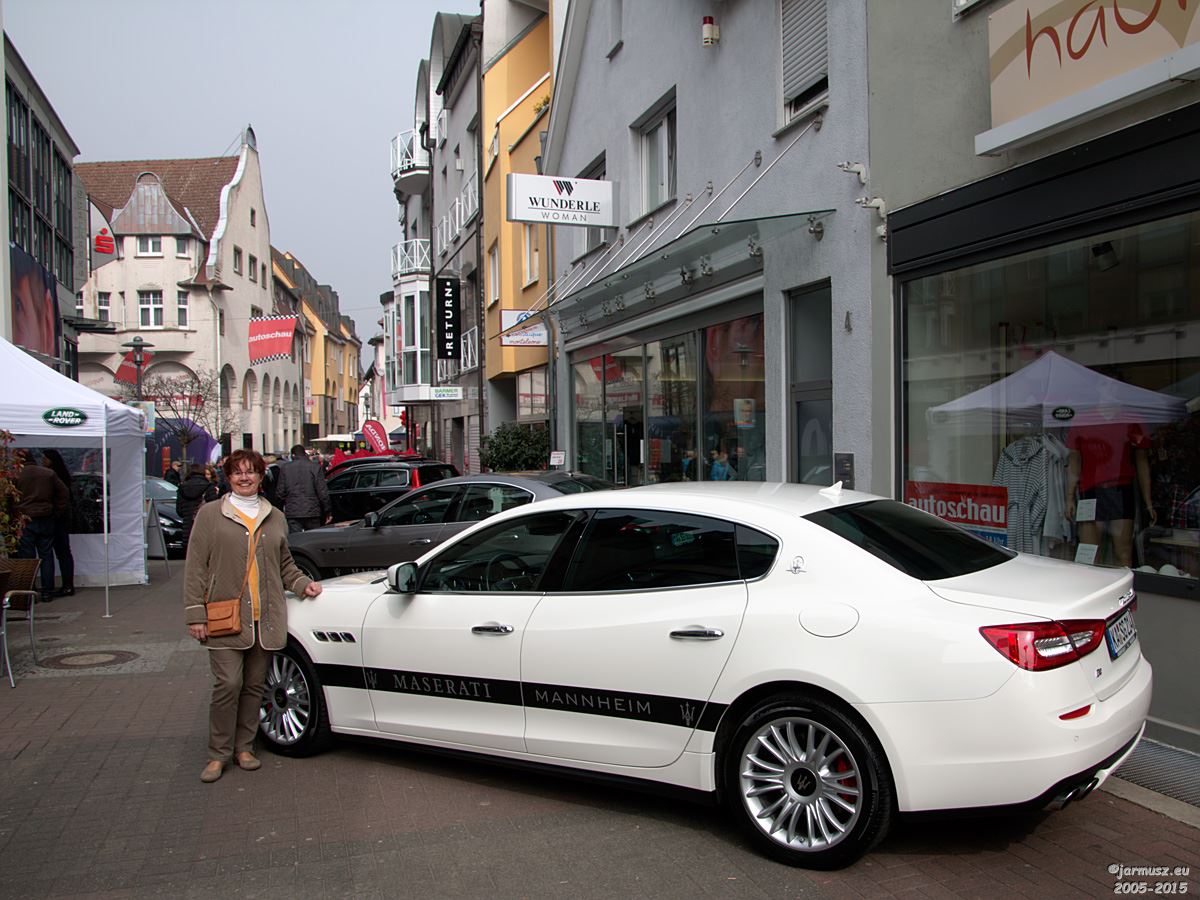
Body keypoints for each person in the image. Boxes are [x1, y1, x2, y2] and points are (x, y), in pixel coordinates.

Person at [183, 449, 323, 783]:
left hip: (265, 618)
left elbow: (285, 563)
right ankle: (218, 754)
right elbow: (195, 567)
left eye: (251, 472)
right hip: (226, 617)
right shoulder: (210, 514)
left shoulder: (275, 516)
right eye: (237, 472)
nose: (244, 478)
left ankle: (244, 748)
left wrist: (302, 584)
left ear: (261, 477)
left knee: (254, 686)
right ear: (228, 477)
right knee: (228, 684)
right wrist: (195, 614)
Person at [14, 448, 69, 601]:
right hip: (45, 517)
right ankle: (47, 591)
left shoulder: (16, 475)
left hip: (24, 518)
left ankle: (29, 591)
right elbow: (64, 493)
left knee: (27, 558)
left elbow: (9, 497)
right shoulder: (48, 473)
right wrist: (56, 511)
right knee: (46, 555)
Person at [274, 444, 332, 532]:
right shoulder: (315, 467)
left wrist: (279, 509)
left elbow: (280, 492)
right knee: (313, 537)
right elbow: (322, 491)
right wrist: (327, 510)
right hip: (312, 509)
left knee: (296, 538)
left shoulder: (285, 468)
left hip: (293, 510)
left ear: (293, 455)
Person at [41, 449, 75, 596]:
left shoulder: (52, 476)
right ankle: (67, 584)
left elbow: (64, 497)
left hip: (57, 519)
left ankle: (65, 585)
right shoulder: (60, 476)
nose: (42, 461)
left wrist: (55, 512)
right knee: (63, 553)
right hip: (60, 518)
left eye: (45, 458)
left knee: (60, 553)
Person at [177, 463, 219, 547]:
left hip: (188, 529)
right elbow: (215, 508)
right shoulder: (208, 486)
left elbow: (179, 511)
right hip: (205, 528)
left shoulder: (182, 487)